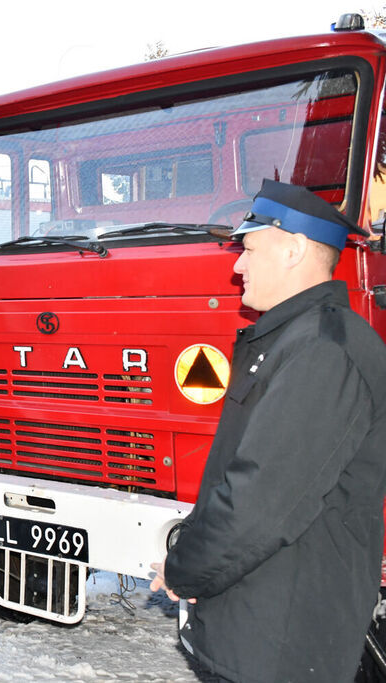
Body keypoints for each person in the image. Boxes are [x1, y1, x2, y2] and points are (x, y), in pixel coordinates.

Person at [149, 179, 386, 683]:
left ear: (294, 250)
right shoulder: (292, 340)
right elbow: (236, 471)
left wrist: (183, 569)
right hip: (257, 623)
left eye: (250, 249)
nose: (237, 265)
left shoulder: (324, 350)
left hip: (284, 637)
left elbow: (259, 501)